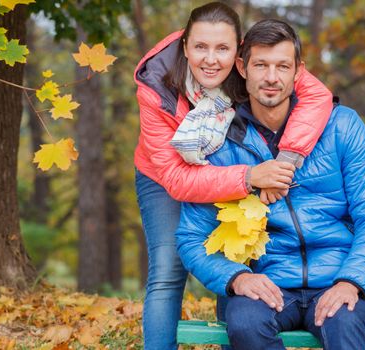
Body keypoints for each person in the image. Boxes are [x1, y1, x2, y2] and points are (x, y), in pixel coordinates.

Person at [175, 19, 365, 350]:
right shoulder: (220, 142)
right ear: (242, 67)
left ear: (298, 71)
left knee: (345, 324)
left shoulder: (343, 126)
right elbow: (191, 238)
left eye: (282, 66)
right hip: (265, 281)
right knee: (245, 323)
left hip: (337, 276)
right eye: (261, 65)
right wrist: (237, 278)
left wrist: (351, 281)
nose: (271, 77)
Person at [134, 3, 333, 348]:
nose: (211, 59)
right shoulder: (156, 88)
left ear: (238, 51)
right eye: (200, 47)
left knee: (237, 261)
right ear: (185, 45)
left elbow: (317, 96)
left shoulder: (254, 66)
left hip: (236, 164)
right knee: (168, 271)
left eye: (222, 49)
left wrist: (286, 161)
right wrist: (250, 177)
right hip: (165, 177)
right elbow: (178, 179)